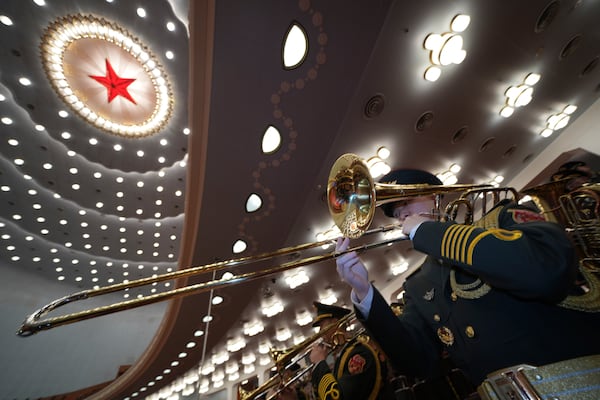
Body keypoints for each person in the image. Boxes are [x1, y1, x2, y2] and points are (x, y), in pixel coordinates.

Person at [334, 168, 600, 392]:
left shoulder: (500, 218)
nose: (400, 215)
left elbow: (546, 273)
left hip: (575, 382)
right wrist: (364, 293)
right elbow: (417, 363)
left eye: (405, 201)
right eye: (394, 212)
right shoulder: (417, 285)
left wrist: (428, 232)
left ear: (436, 195)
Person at [308, 302, 393, 400]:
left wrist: (319, 363)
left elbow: (337, 397)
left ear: (335, 323)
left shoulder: (358, 354)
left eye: (322, 325)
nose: (320, 332)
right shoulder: (344, 355)